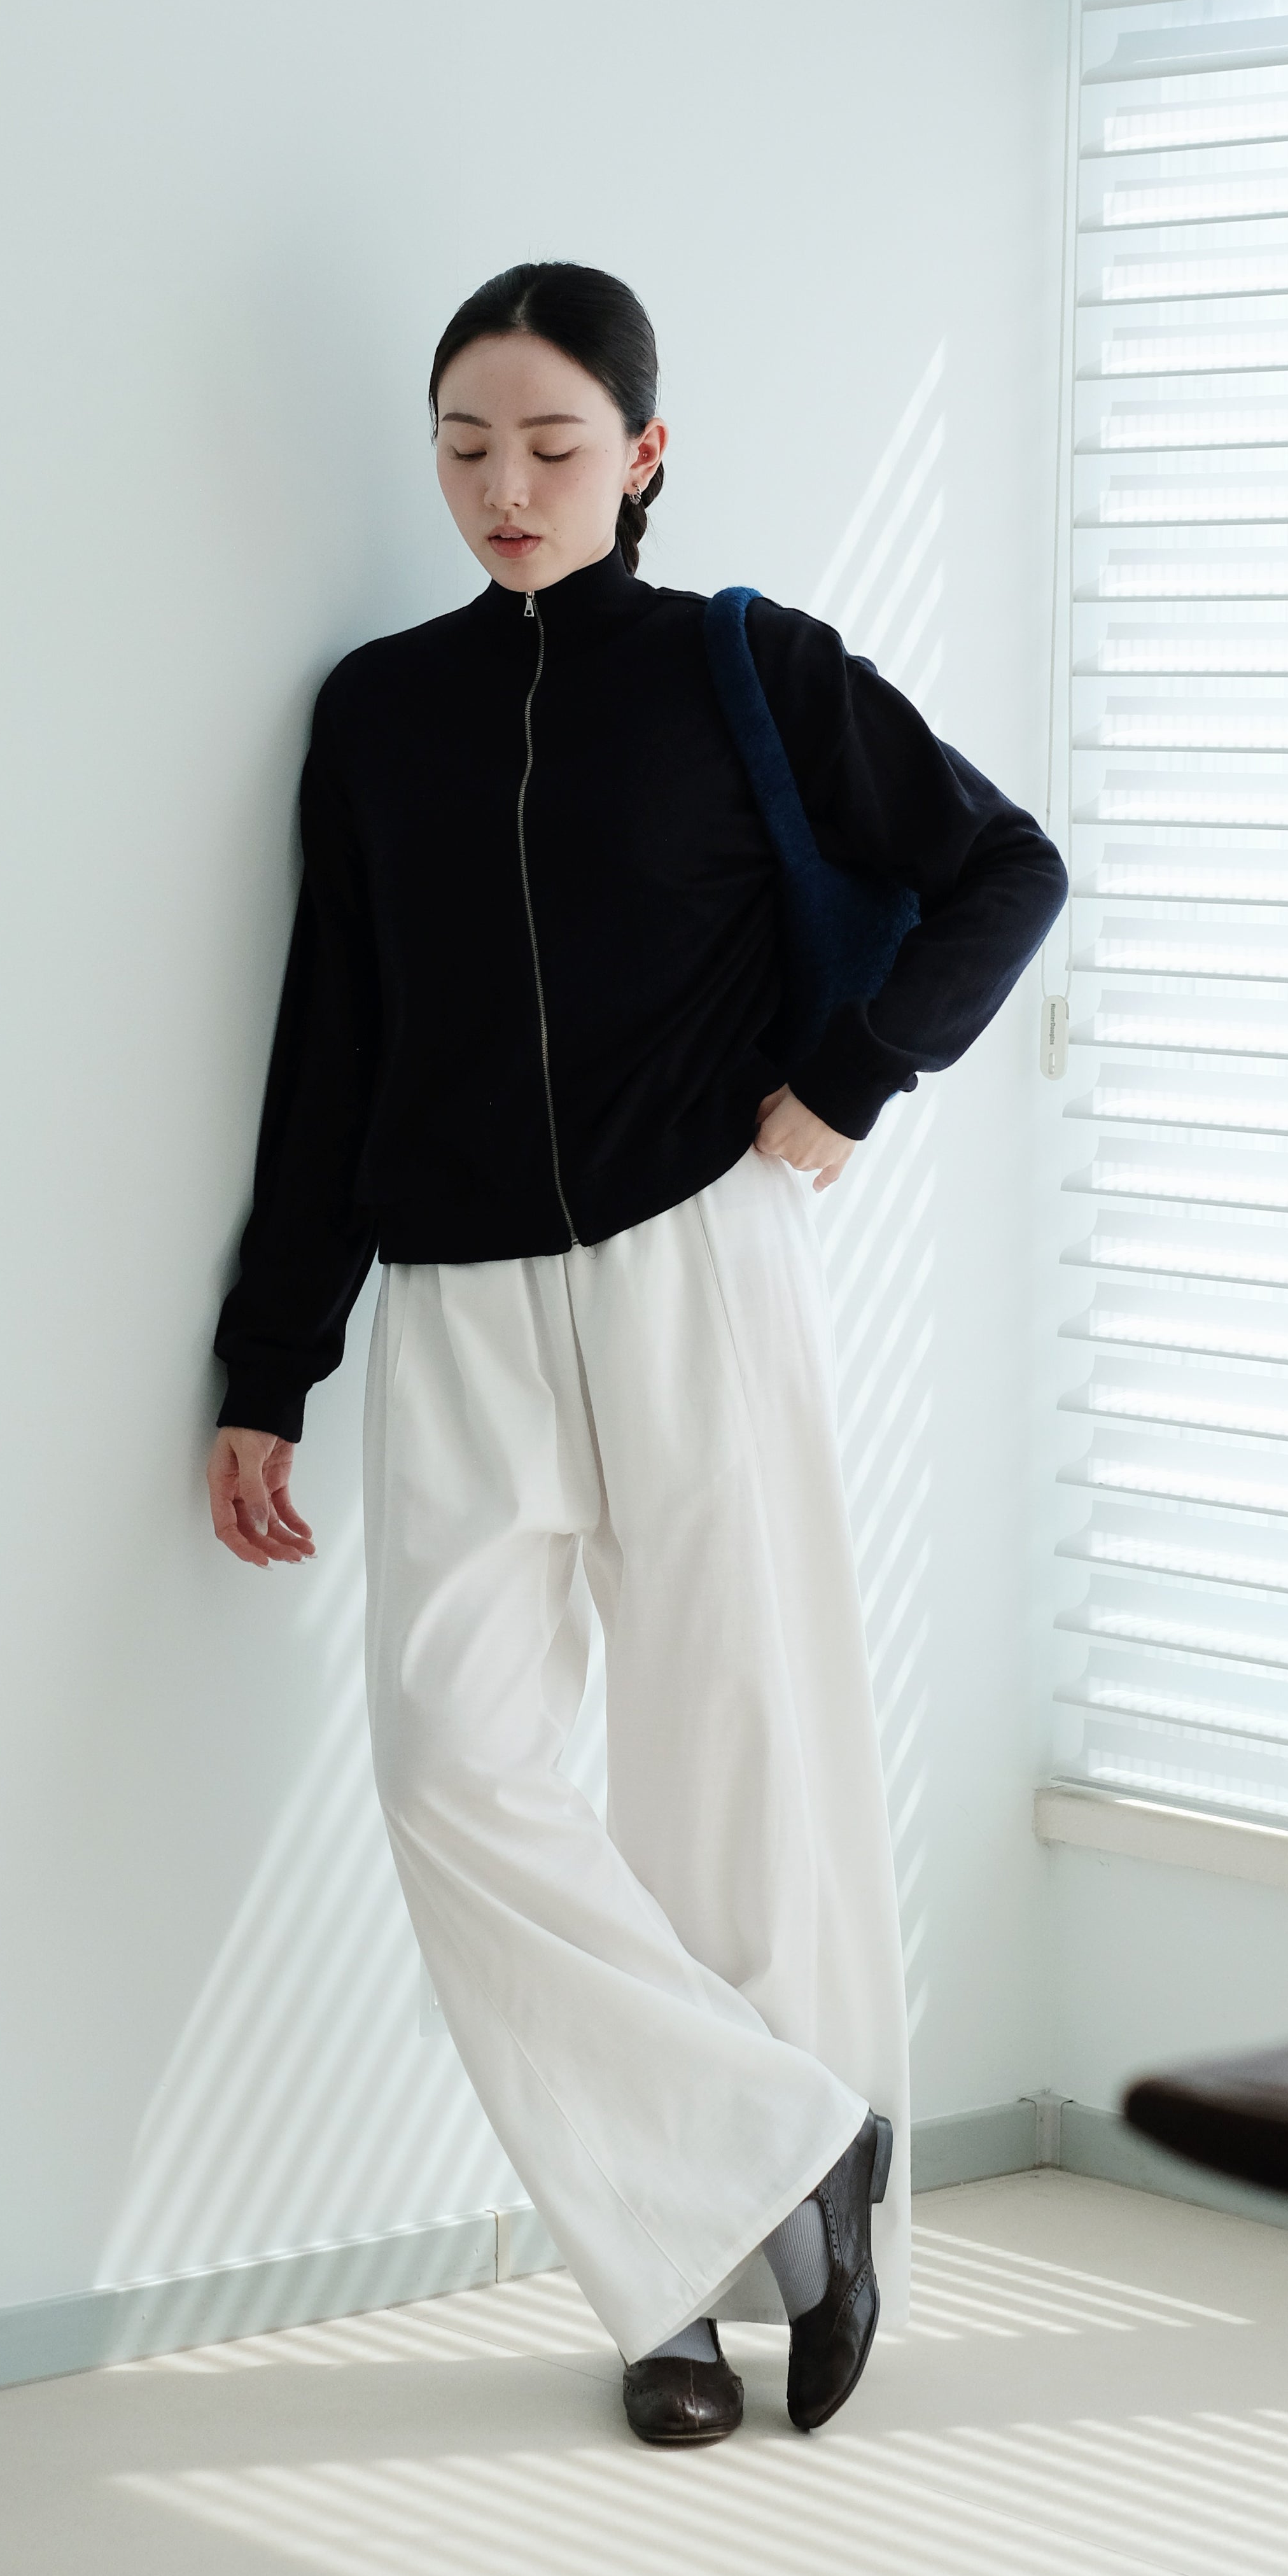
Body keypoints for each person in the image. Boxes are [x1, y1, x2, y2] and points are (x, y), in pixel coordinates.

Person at [205, 260, 1065, 2447]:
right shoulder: (379, 713)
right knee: (453, 1772)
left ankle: (688, 2308)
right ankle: (789, 2160)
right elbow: (334, 1043)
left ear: (645, 454)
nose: (506, 487)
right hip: (458, 1302)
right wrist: (268, 1361)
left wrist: (850, 1078)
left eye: (554, 446)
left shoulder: (742, 669)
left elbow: (1006, 868)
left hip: (697, 1266)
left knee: (730, 1792)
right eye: (465, 447)